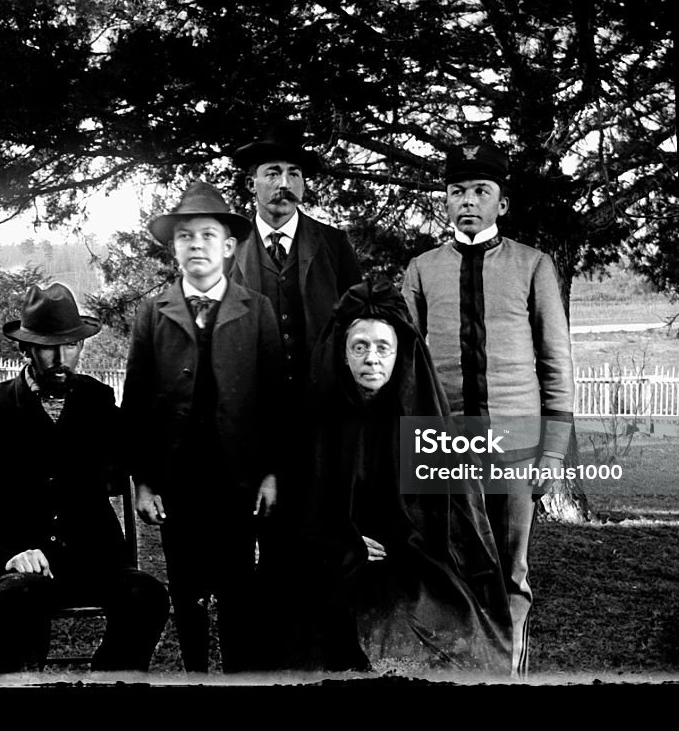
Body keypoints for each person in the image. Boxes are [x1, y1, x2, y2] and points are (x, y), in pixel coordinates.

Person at [401, 141, 574, 677]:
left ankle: (509, 674)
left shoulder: (532, 265)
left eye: (481, 191)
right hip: (446, 448)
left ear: (501, 203)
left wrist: (552, 453)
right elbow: (406, 367)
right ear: (445, 202)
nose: (468, 201)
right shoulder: (423, 269)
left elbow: (556, 362)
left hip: (517, 449)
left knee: (510, 570)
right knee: (448, 567)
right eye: (457, 192)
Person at [0, 282, 171, 674]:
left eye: (71, 345)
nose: (62, 358)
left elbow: (137, 447)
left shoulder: (97, 400)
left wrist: (146, 482)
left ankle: (107, 681)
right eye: (49, 346)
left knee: (147, 595)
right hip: (23, 567)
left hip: (92, 560)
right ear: (26, 348)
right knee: (18, 597)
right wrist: (6, 556)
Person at [294, 278, 513, 674]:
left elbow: (447, 526)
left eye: (383, 348)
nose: (372, 359)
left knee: (423, 633)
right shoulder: (320, 424)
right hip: (334, 568)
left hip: (412, 568)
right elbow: (304, 513)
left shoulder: (423, 423)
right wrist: (343, 544)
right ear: (343, 355)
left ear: (400, 355)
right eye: (359, 347)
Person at [121, 181, 283, 674]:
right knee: (186, 589)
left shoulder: (257, 310)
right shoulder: (154, 312)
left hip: (238, 481)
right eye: (185, 236)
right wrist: (144, 482)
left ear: (229, 246)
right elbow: (138, 402)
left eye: (208, 235)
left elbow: (276, 399)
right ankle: (194, 675)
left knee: (238, 588)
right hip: (178, 483)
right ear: (173, 248)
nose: (197, 246)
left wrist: (272, 473)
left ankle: (237, 678)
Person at [226, 121, 362, 664]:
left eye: (295, 174)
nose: (284, 184)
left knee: (322, 538)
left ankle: (323, 656)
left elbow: (359, 324)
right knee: (258, 547)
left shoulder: (333, 245)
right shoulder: (229, 251)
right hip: (251, 426)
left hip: (321, 423)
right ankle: (264, 659)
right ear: (251, 185)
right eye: (272, 173)